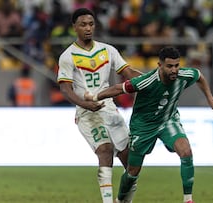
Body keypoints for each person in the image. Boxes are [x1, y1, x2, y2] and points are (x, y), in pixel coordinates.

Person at [84, 46, 213, 203]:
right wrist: (95, 96)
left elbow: (199, 76)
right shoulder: (146, 81)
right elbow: (119, 89)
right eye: (169, 66)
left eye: (176, 65)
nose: (174, 70)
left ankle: (188, 200)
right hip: (143, 127)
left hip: (168, 120)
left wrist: (212, 101)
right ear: (160, 65)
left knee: (186, 152)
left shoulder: (184, 74)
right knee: (132, 172)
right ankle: (120, 200)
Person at [57, 8, 141, 203]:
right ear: (74, 27)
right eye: (83, 25)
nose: (88, 28)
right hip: (87, 113)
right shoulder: (67, 56)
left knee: (131, 161)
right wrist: (85, 104)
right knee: (104, 150)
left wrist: (151, 80)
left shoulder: (108, 50)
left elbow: (128, 73)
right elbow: (66, 90)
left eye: (91, 24)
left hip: (109, 108)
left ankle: (124, 200)